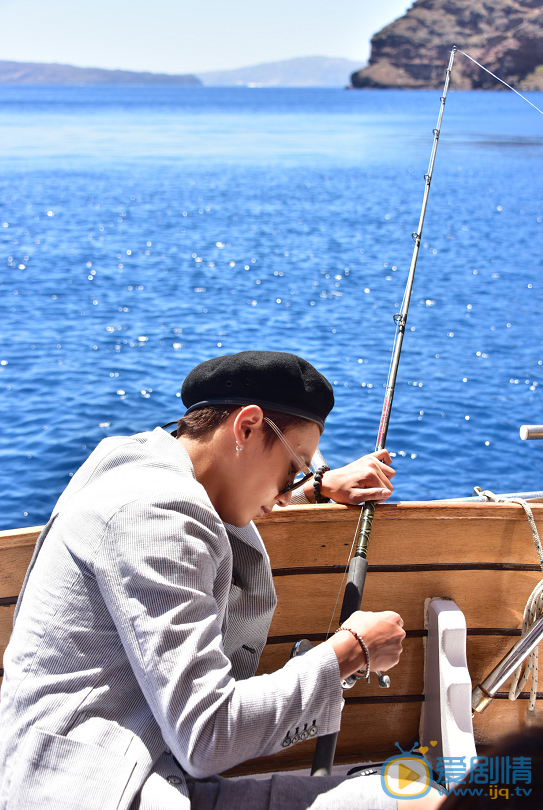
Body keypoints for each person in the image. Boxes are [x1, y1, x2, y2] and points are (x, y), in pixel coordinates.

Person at [0, 350, 414, 810]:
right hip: (99, 790)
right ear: (248, 426)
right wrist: (349, 652)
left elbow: (224, 501)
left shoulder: (130, 464)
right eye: (292, 471)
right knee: (416, 800)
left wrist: (314, 489)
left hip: (102, 766)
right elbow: (208, 736)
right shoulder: (156, 516)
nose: (282, 495)